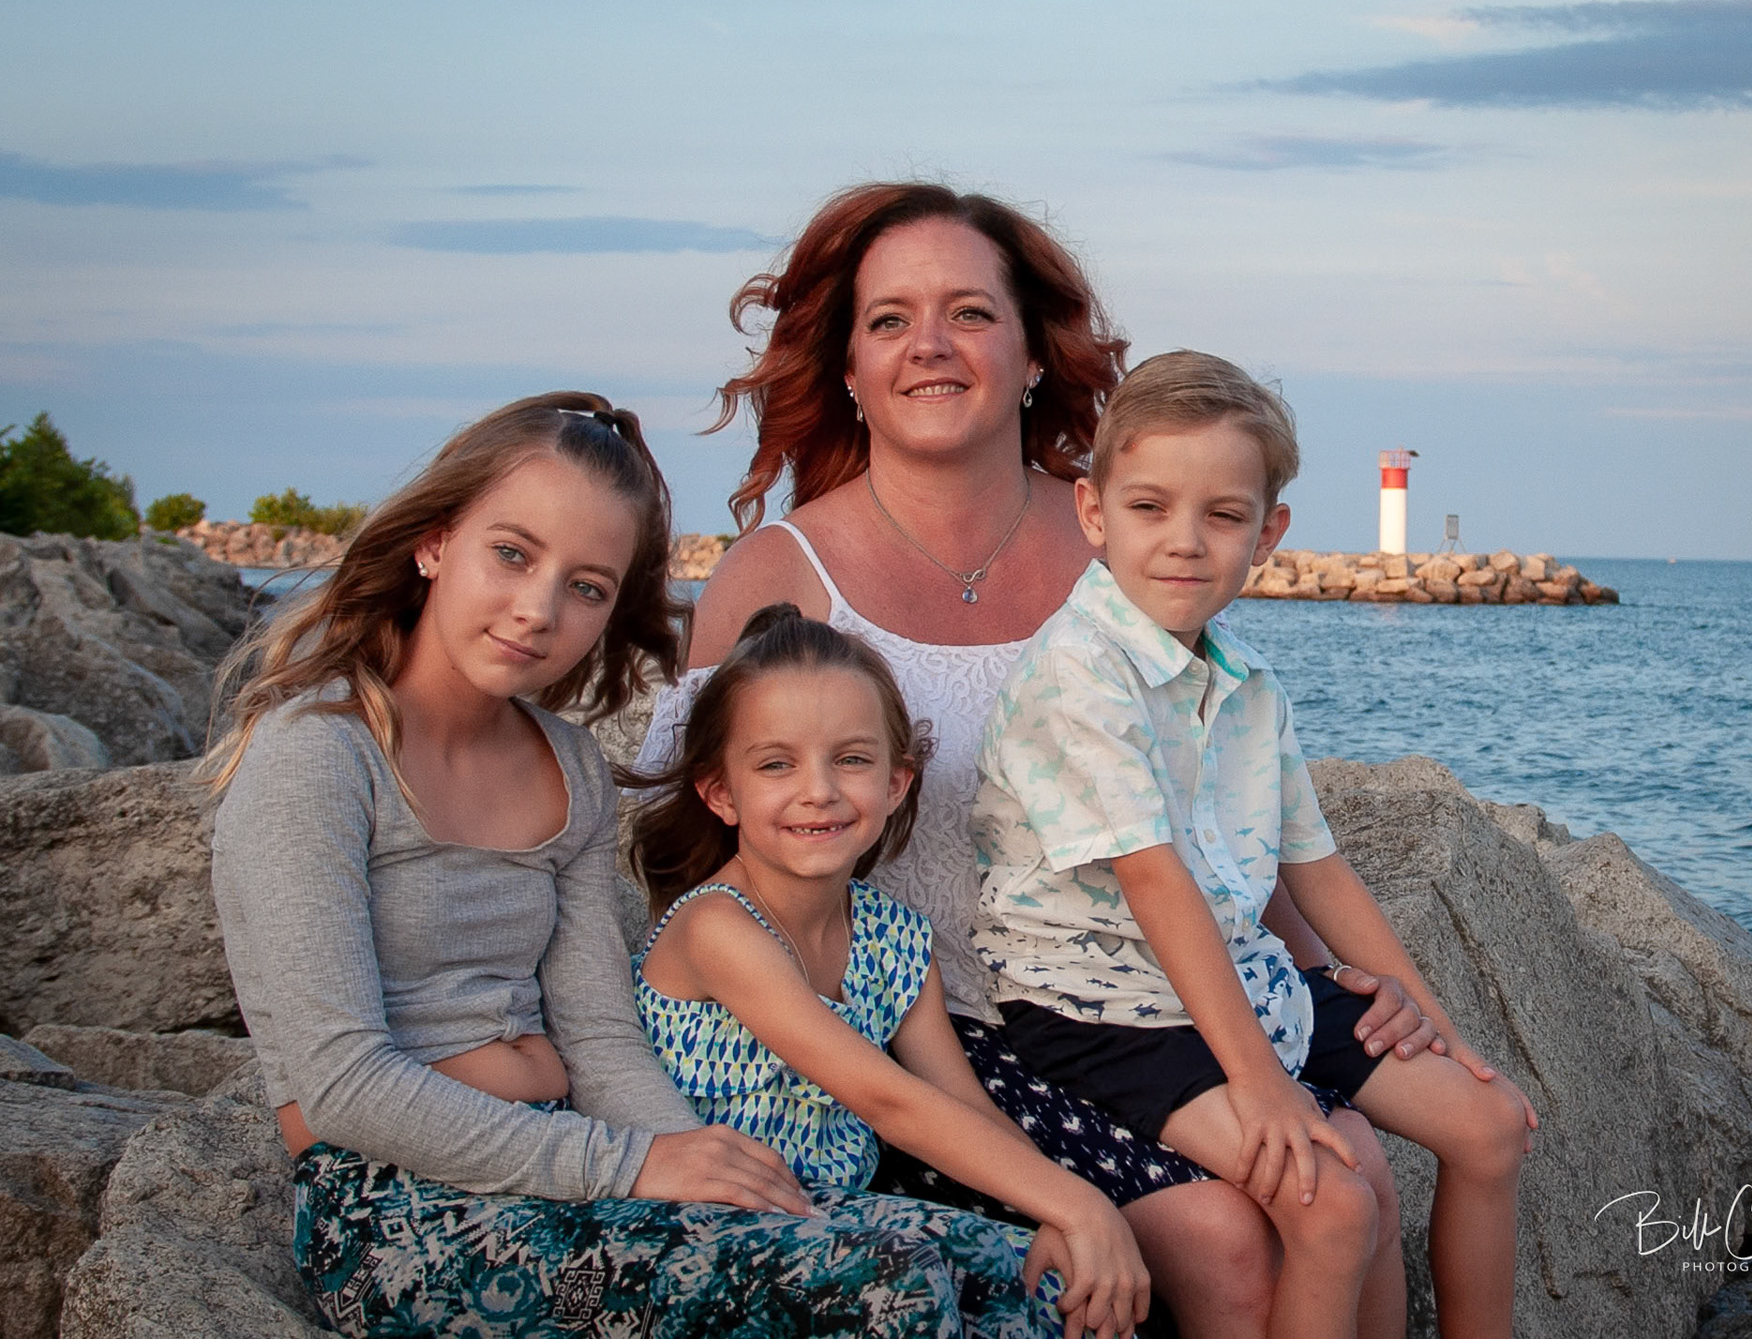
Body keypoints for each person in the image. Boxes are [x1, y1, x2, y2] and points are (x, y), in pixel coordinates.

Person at [641, 182, 1441, 1338]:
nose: (930, 344)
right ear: (851, 366)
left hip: (1154, 1003)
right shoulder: (776, 575)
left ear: (1029, 356)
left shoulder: (1128, 537)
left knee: (1352, 1169)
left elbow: (1211, 790)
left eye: (969, 312)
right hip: (938, 1045)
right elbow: (695, 856)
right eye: (889, 320)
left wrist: (1325, 980)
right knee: (1228, 1241)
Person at [205, 391, 1022, 1338]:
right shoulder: (319, 755)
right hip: (402, 1203)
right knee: (887, 1282)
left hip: (567, 1148)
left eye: (588, 587)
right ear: (434, 543)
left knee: (1008, 1266)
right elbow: (342, 1082)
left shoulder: (567, 767)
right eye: (512, 554)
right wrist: (634, 1165)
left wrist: (691, 1158)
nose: (537, 610)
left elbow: (597, 1034)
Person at [973, 351, 1536, 1339]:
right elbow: (1153, 880)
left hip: (1237, 978)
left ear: (1268, 535)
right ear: (1094, 512)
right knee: (1332, 1203)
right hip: (1102, 1009)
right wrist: (1264, 1085)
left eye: (1224, 516)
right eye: (1150, 507)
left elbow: (1316, 866)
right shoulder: (1078, 673)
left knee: (1490, 1126)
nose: (1185, 541)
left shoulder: (1248, 680)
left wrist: (1435, 1021)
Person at [630, 603, 1150, 1339]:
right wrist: (1081, 1204)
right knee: (912, 1283)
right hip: (705, 1222)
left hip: (835, 1219)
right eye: (776, 764)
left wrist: (1054, 1211)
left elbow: (961, 1102)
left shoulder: (895, 938)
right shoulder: (718, 928)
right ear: (721, 793)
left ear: (897, 783)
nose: (819, 789)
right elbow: (886, 1100)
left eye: (851, 759)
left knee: (1054, 1285)